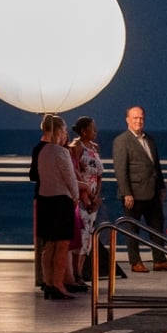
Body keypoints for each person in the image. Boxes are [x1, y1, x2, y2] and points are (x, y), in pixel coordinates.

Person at [111, 105, 167, 271]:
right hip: (133, 194)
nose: (138, 120)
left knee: (157, 226)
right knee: (133, 229)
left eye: (141, 118)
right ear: (128, 120)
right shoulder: (121, 141)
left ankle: (160, 260)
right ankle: (135, 262)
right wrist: (126, 193)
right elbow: (120, 170)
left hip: (152, 191)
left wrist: (161, 187)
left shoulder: (150, 139)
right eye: (135, 118)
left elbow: (156, 166)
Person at [32, 113, 80, 301]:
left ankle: (49, 282)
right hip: (60, 201)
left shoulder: (42, 151)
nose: (65, 133)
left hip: (45, 200)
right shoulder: (61, 152)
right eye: (64, 130)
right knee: (61, 245)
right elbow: (70, 178)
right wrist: (75, 197)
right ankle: (59, 284)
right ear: (58, 130)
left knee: (49, 245)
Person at [68, 116, 105, 283]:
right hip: (81, 197)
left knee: (88, 237)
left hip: (93, 196)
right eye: (92, 128)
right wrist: (85, 195)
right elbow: (75, 172)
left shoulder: (95, 147)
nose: (95, 132)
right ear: (84, 131)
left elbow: (99, 175)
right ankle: (75, 273)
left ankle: (80, 272)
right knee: (81, 235)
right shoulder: (76, 148)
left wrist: (96, 195)